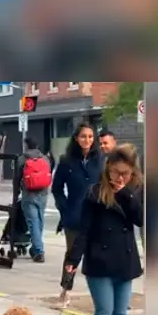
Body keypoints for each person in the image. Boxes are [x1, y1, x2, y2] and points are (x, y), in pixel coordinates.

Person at [64, 144, 144, 315]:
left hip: (125, 260)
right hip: (100, 260)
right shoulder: (95, 193)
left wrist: (125, 193)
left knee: (120, 314)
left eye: (126, 173)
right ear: (108, 169)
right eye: (116, 172)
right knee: (104, 312)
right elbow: (84, 230)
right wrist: (73, 258)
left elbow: (140, 219)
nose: (120, 177)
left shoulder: (135, 190)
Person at [52, 123, 104, 290]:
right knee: (72, 254)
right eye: (83, 136)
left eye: (90, 136)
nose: (87, 140)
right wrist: (64, 208)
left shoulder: (100, 160)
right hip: (74, 216)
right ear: (76, 138)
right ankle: (66, 289)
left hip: (98, 215)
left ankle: (101, 291)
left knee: (98, 255)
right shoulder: (67, 161)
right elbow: (56, 188)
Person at [17, 136, 50, 262]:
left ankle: (38, 250)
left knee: (33, 222)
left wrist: (16, 191)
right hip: (43, 193)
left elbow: (17, 176)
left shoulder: (22, 159)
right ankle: (37, 246)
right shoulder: (45, 159)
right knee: (40, 221)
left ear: (26, 146)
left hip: (29, 193)